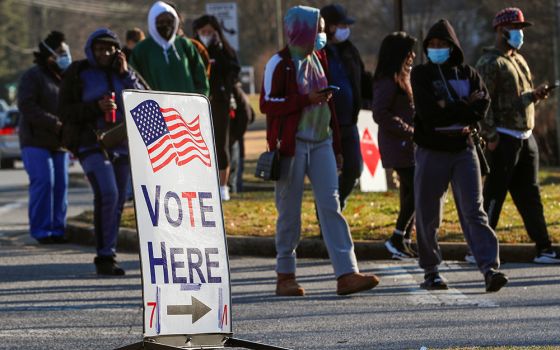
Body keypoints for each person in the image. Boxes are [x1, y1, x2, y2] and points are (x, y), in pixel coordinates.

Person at [260, 5, 379, 296]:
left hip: (322, 141)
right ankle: (285, 274)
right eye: (319, 29)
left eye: (323, 29)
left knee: (331, 205)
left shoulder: (320, 57)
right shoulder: (280, 62)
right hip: (292, 145)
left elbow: (329, 107)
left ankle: (347, 273)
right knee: (289, 210)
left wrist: (337, 146)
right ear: (301, 30)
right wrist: (304, 99)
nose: (323, 34)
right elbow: (268, 104)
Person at [411, 19, 508, 292]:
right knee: (428, 213)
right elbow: (428, 114)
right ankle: (431, 271)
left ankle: (490, 269)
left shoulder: (468, 73)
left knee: (474, 211)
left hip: (463, 149)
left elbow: (482, 106)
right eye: (431, 45)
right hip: (432, 149)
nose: (436, 49)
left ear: (453, 46)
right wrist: (465, 105)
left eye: (442, 44)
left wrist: (453, 108)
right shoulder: (421, 74)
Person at [58, 28, 146, 276]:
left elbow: (144, 100)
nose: (104, 53)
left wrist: (126, 73)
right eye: (99, 48)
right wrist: (96, 108)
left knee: (118, 199)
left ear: (116, 50)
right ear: (90, 50)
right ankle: (104, 254)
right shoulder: (78, 73)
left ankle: (108, 254)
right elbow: (64, 111)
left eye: (109, 48)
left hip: (123, 144)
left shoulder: (124, 73)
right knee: (108, 192)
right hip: (90, 143)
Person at [476, 7, 560, 264]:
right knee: (494, 194)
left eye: (521, 30)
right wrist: (489, 135)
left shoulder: (518, 60)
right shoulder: (490, 63)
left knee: (530, 194)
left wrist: (534, 95)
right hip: (503, 137)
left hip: (525, 136)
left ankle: (543, 247)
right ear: (501, 31)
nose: (520, 35)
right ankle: (480, 249)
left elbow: (514, 97)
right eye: (516, 30)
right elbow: (482, 102)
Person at [17, 31, 71, 245]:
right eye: (60, 52)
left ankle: (58, 229)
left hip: (59, 143)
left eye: (65, 51)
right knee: (44, 182)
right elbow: (26, 106)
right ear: (49, 55)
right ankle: (41, 230)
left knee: (61, 185)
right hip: (35, 141)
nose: (65, 55)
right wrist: (54, 122)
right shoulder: (33, 76)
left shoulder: (65, 79)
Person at [320, 3, 371, 210]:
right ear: (330, 27)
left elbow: (363, 78)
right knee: (327, 175)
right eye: (341, 25)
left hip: (349, 123)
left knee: (354, 169)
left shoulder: (350, 50)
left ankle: (337, 205)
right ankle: (326, 216)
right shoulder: (319, 51)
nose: (345, 29)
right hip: (327, 125)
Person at [372, 32, 417, 259]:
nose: (413, 56)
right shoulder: (387, 80)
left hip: (407, 144)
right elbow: (380, 113)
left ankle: (403, 240)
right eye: (409, 51)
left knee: (410, 193)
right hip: (398, 145)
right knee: (419, 190)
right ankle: (397, 238)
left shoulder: (404, 77)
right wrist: (408, 130)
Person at [193, 14, 241, 201]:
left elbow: (233, 70)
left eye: (210, 32)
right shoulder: (191, 48)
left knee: (221, 144)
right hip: (197, 102)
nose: (206, 35)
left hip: (220, 102)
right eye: (203, 32)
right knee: (199, 144)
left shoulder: (224, 49)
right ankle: (202, 183)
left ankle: (223, 186)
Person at [129, 1, 209, 96]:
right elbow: (134, 82)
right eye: (161, 22)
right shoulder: (141, 50)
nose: (166, 25)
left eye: (169, 22)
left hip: (187, 107)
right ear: (152, 22)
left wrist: (198, 100)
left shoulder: (185, 45)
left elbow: (200, 78)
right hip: (157, 107)